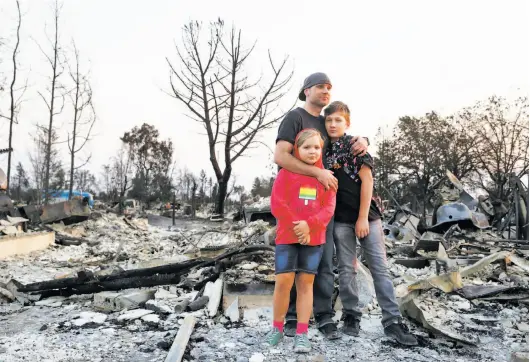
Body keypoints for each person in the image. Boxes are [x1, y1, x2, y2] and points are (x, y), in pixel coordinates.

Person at [274, 72, 369, 339]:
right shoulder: (295, 118)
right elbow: (280, 156)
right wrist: (317, 173)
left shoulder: (326, 122)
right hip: (293, 205)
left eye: (329, 87)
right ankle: (291, 318)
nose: (325, 91)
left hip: (320, 207)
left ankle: (324, 316)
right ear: (306, 91)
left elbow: (344, 139)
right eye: (319, 87)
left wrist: (364, 140)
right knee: (293, 265)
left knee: (324, 263)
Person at [323, 101, 418, 346]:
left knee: (379, 268)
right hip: (340, 219)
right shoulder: (323, 151)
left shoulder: (356, 148)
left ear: (347, 123)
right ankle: (351, 315)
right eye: (329, 120)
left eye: (338, 120)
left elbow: (367, 182)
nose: (333, 124)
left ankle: (392, 322)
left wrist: (363, 217)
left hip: (368, 217)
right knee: (346, 269)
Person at [265, 129, 336, 353]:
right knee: (284, 282)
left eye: (316, 147)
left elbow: (328, 209)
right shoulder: (286, 174)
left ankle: (302, 333)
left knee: (306, 284)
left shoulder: (326, 177)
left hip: (313, 238)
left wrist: (310, 225)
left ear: (321, 150)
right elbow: (277, 204)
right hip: (287, 236)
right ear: (297, 149)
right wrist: (298, 225)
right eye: (307, 147)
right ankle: (277, 328)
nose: (312, 151)